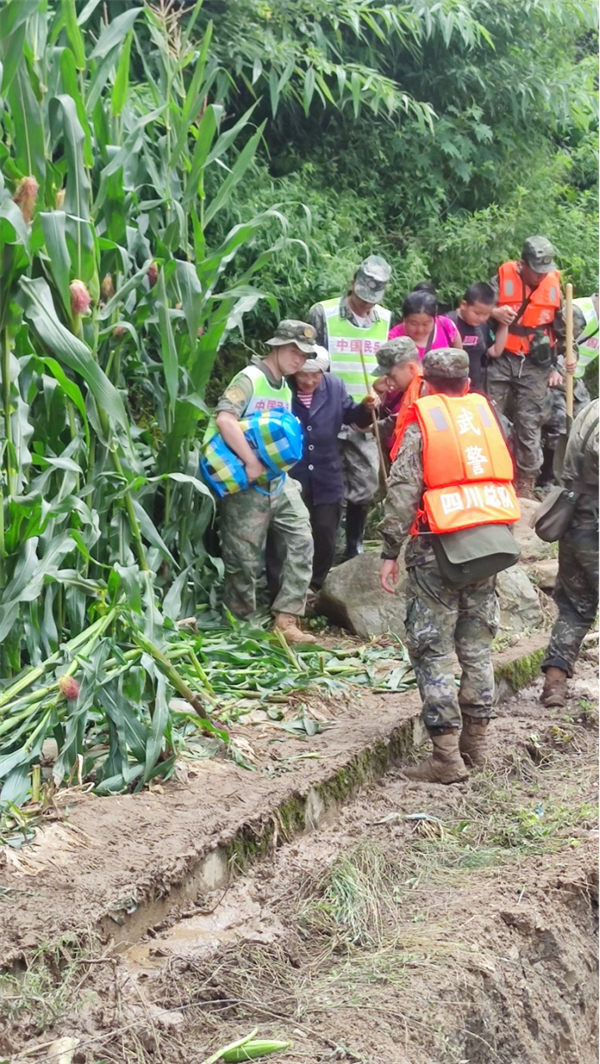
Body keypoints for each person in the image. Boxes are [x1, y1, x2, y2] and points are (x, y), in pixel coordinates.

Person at [379, 348, 520, 784]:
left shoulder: (425, 424)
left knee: (432, 650)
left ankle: (445, 757)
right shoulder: (486, 416)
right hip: (490, 543)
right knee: (477, 648)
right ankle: (477, 746)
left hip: (436, 551)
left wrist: (389, 549)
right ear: (466, 382)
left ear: (428, 382)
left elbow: (403, 489)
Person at [212, 319, 317, 645]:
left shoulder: (283, 387)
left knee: (302, 538)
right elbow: (225, 418)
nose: (298, 359)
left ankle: (286, 619)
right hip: (246, 482)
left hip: (277, 481)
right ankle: (242, 628)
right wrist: (250, 460)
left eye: (304, 354)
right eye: (293, 351)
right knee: (244, 560)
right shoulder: (251, 378)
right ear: (276, 346)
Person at [308, 255, 392, 558]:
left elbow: (387, 368)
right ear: (352, 285)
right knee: (325, 485)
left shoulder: (385, 319)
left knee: (365, 484)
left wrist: (382, 395)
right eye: (361, 298)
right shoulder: (323, 313)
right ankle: (322, 551)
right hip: (326, 413)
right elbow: (307, 362)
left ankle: (354, 546)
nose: (365, 305)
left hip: (364, 415)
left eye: (371, 300)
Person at [288, 347, 377, 588]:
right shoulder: (283, 389)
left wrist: (366, 409)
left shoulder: (335, 386)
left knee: (325, 531)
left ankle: (316, 584)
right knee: (293, 533)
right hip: (294, 472)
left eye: (315, 375)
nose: (309, 381)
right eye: (303, 375)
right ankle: (289, 585)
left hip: (327, 472)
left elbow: (351, 416)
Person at [487, 236, 566, 498]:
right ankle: (493, 476)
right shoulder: (502, 277)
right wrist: (494, 313)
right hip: (502, 357)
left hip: (535, 362)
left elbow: (564, 331)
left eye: (545, 270)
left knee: (530, 422)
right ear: (523, 264)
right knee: (490, 417)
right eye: (536, 270)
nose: (541, 276)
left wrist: (563, 360)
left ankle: (526, 485)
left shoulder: (554, 284)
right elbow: (476, 308)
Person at [540, 400, 599, 707]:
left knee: (575, 608)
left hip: (573, 518)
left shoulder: (590, 409)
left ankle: (555, 682)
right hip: (595, 521)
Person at [447, 282, 509, 393]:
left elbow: (495, 351)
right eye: (477, 313)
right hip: (450, 388)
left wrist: (505, 323)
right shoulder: (448, 323)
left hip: (474, 388)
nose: (481, 318)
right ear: (463, 305)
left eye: (486, 314)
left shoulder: (482, 326)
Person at [388, 289, 463, 358]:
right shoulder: (392, 339)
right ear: (404, 319)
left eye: (426, 324)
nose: (420, 330)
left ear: (434, 318)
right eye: (414, 324)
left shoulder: (446, 326)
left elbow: (460, 358)